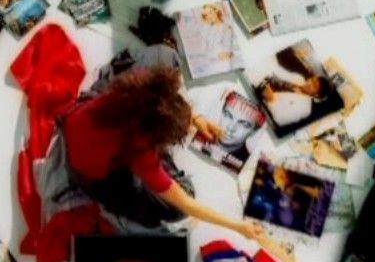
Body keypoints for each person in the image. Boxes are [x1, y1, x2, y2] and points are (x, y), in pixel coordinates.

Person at [60, 66, 262, 240]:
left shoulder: (141, 87)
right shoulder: (140, 152)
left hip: (80, 116)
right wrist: (238, 227)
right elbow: (187, 204)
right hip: (90, 175)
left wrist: (195, 118)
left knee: (167, 54)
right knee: (179, 203)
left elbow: (167, 100)